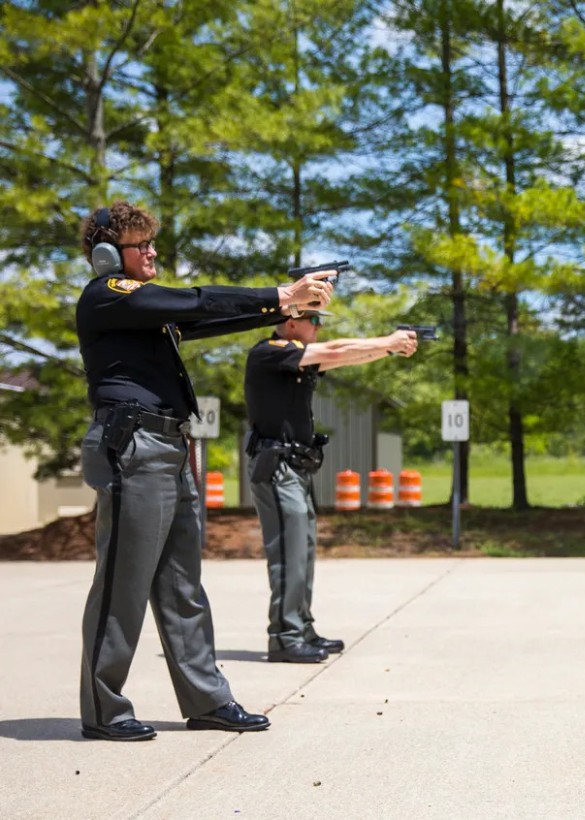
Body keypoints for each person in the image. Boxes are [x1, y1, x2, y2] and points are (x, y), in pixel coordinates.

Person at [76, 201, 335, 741]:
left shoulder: (144, 310)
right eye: (140, 244)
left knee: (182, 585)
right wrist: (281, 295)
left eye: (151, 242)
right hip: (135, 445)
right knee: (123, 584)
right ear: (107, 254)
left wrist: (282, 308)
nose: (151, 251)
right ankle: (104, 709)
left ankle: (207, 701)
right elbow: (194, 299)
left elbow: (204, 314)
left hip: (168, 445)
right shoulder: (109, 296)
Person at [244, 312, 418, 663]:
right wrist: (387, 341)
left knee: (302, 551)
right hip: (277, 467)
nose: (319, 327)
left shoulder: (296, 356)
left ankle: (302, 629)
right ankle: (284, 637)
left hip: (295, 468)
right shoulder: (271, 352)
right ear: (292, 322)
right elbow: (337, 349)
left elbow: (347, 355)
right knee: (288, 554)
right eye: (313, 319)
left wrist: (388, 350)